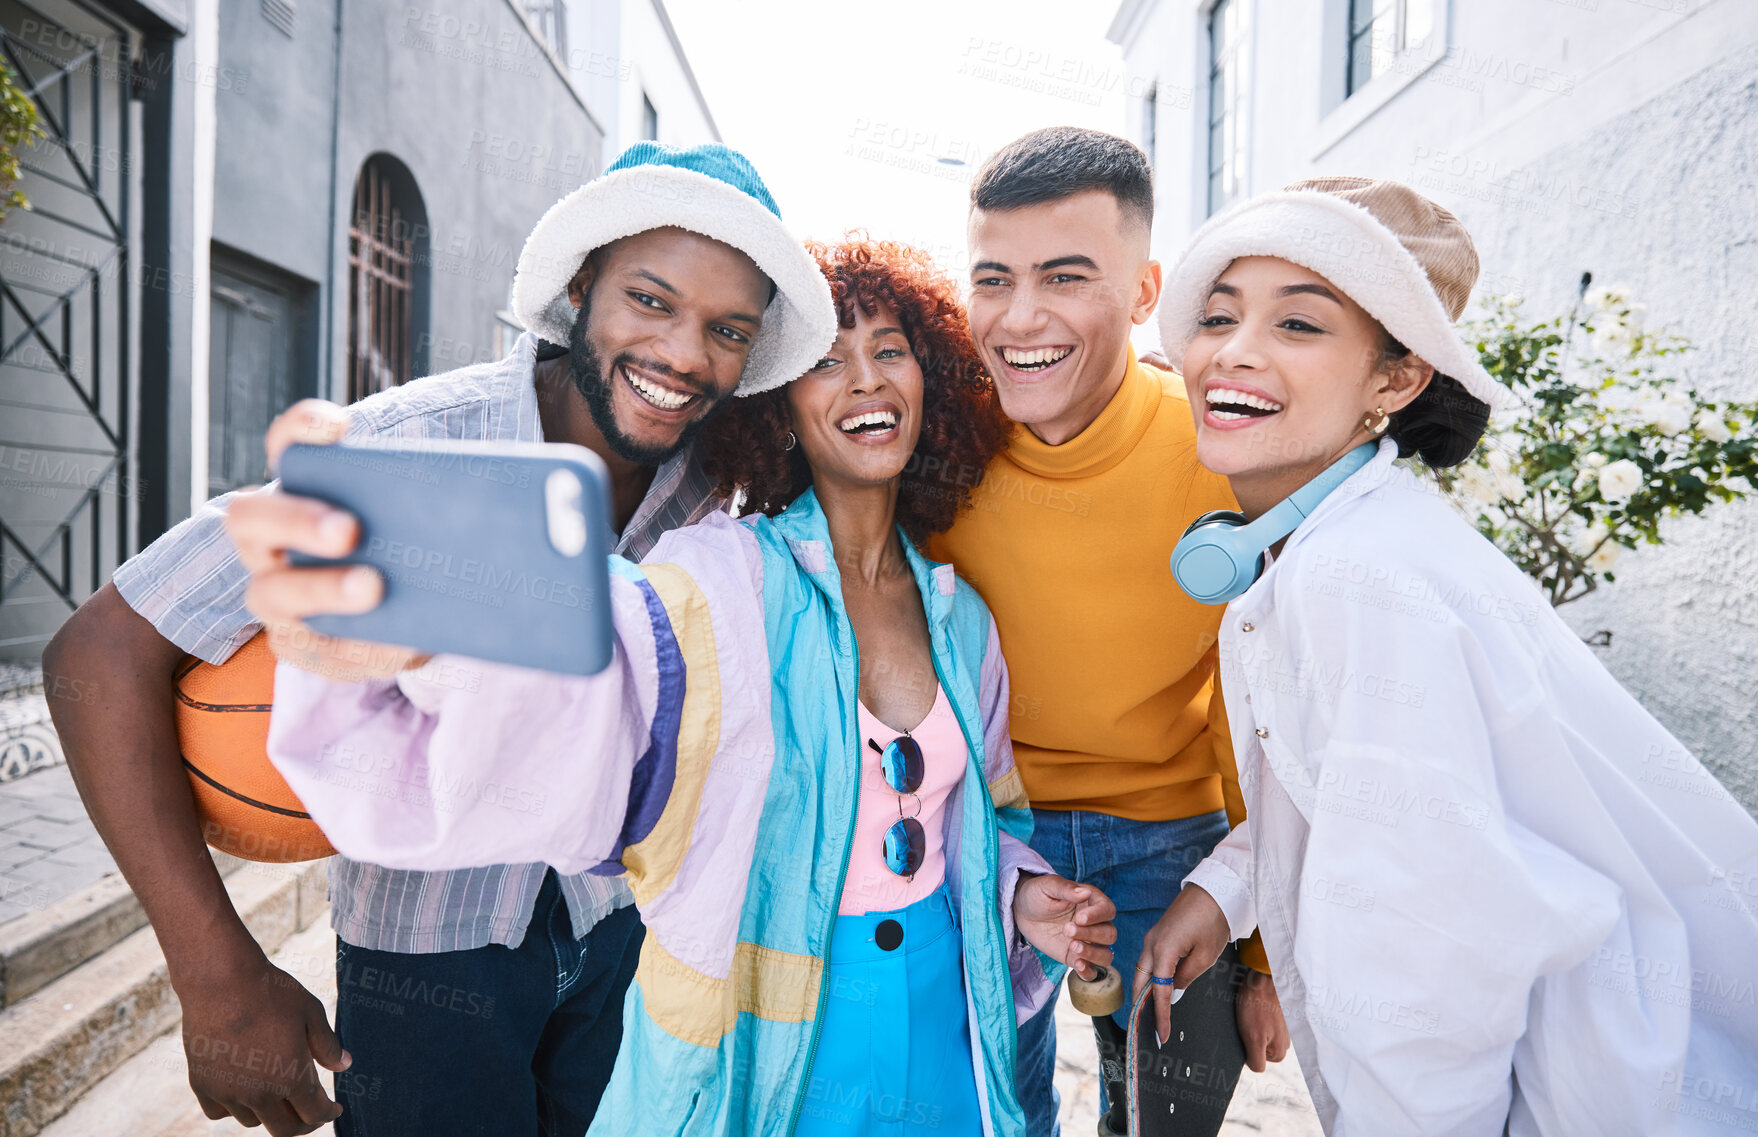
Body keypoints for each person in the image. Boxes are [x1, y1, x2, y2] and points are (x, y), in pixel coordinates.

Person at [237, 237, 1120, 1137]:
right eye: (825, 361)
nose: (866, 380)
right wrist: (423, 603)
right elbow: (611, 658)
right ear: (778, 408)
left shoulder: (962, 617)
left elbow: (988, 818)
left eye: (889, 350)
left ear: (930, 381)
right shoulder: (727, 579)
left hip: (947, 1027)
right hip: (771, 1049)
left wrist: (1021, 895)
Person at [42, 141, 835, 1137]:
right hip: (428, 968)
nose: (683, 354)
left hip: (625, 943)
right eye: (649, 299)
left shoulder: (717, 494)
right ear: (583, 284)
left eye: (727, 328)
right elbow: (98, 650)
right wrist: (215, 969)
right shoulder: (413, 449)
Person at [1136, 176, 1758, 1134]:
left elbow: (1422, 970)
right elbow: (1350, 793)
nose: (1236, 350)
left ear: (1396, 378)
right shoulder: (1351, 540)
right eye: (1220, 315)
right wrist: (1224, 892)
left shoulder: (1354, 578)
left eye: (1299, 325)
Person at [925, 126, 1287, 1135]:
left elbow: (1260, 716)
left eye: (1066, 277)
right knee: (995, 1117)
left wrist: (1263, 948)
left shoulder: (1225, 456)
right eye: (992, 278)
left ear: (1142, 293)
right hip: (990, 841)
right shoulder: (932, 451)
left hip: (1179, 848)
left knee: (1167, 1126)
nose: (1020, 317)